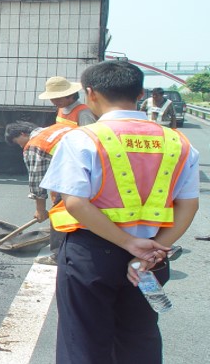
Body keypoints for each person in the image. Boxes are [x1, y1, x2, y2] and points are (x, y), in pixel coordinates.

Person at [40, 60, 199, 364]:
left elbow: (74, 202)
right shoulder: (179, 143)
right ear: (140, 92)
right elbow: (189, 205)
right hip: (151, 256)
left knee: (84, 342)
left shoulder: (82, 138)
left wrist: (128, 243)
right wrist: (148, 253)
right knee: (139, 338)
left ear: (90, 93)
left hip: (92, 254)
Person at [4, 121, 75, 266]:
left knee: (59, 215)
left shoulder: (35, 145)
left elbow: (38, 182)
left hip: (75, 179)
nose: (22, 147)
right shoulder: (58, 128)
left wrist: (40, 210)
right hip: (101, 172)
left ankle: (57, 257)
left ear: (23, 134)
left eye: (19, 143)